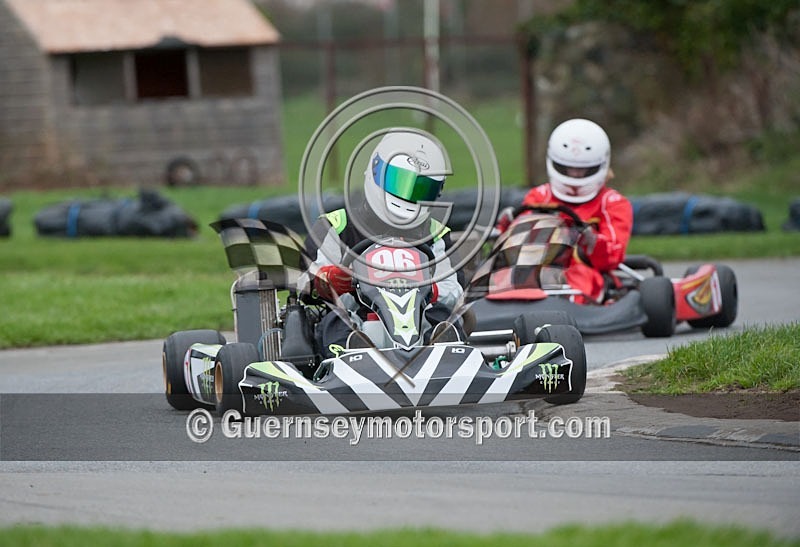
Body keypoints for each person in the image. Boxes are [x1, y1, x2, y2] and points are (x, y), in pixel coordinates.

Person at [300, 129, 464, 357]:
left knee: (445, 316)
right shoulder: (335, 225)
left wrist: (429, 287)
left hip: (418, 319)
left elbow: (453, 289)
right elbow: (302, 284)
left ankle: (446, 354)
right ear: (377, 171)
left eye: (421, 189)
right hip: (357, 316)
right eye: (400, 182)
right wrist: (328, 280)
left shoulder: (435, 234)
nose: (408, 196)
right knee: (335, 321)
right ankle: (351, 352)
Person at [498, 118, 633, 304]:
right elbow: (518, 239)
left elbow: (612, 257)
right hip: (532, 267)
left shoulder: (613, 203)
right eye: (567, 169)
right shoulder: (539, 196)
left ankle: (568, 305)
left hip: (581, 269)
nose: (574, 176)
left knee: (578, 278)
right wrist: (506, 226)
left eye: (583, 170)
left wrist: (591, 241)